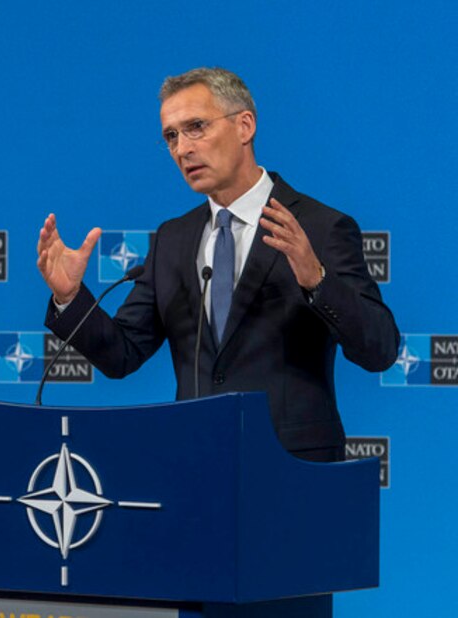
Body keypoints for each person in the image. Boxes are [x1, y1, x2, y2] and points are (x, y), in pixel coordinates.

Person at [37, 67, 398, 463]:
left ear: (244, 126)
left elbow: (379, 350)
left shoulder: (319, 227)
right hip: (195, 463)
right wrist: (70, 297)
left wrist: (317, 279)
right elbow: (121, 354)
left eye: (195, 127)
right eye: (171, 136)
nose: (182, 149)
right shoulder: (173, 239)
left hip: (293, 470)